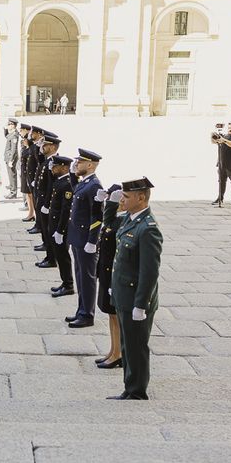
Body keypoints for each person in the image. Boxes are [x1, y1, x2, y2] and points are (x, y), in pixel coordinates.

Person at [105, 177, 163, 401]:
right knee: (127, 345)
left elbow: (149, 273)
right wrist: (110, 203)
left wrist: (141, 304)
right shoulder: (130, 219)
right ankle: (129, 387)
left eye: (126, 197)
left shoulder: (148, 229)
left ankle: (137, 391)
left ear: (141, 197)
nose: (122, 200)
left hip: (136, 300)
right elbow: (109, 226)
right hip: (123, 295)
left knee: (136, 346)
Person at [65, 148, 103, 328]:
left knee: (87, 279)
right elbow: (76, 191)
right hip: (78, 238)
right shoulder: (85, 182)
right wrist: (72, 174)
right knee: (80, 277)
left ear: (89, 165)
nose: (76, 164)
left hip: (86, 240)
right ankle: (81, 310)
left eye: (79, 162)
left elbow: (97, 217)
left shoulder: (95, 185)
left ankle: (87, 314)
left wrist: (92, 241)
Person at [94, 184, 125, 368]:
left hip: (114, 276)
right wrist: (109, 204)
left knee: (116, 317)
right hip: (106, 274)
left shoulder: (124, 221)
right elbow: (107, 223)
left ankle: (118, 354)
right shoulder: (115, 220)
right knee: (111, 316)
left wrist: (112, 205)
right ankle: (113, 351)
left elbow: (110, 225)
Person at [49, 156, 75, 297]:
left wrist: (60, 231)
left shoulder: (67, 184)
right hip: (55, 225)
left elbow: (66, 210)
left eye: (56, 166)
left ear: (65, 168)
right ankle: (64, 282)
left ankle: (69, 285)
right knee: (59, 255)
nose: (53, 168)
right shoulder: (59, 181)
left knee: (63, 256)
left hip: (61, 227)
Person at [34, 131, 61, 269]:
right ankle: (48, 254)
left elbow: (52, 186)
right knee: (45, 230)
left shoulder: (55, 162)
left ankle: (51, 258)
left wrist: (46, 204)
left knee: (49, 231)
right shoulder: (47, 160)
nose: (42, 146)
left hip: (47, 202)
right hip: (42, 199)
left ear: (53, 147)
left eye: (45, 144)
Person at [211, 121, 231, 208]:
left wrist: (224, 140)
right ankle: (220, 198)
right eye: (229, 128)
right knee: (221, 182)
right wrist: (213, 136)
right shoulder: (225, 136)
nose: (230, 129)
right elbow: (214, 142)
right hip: (222, 163)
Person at [3, 118, 20, 199]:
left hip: (11, 158)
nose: (8, 125)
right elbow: (6, 136)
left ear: (14, 126)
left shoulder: (14, 135)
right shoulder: (11, 133)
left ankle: (13, 192)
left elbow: (14, 149)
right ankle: (11, 187)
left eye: (10, 124)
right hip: (8, 157)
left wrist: (11, 160)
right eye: (8, 124)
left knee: (12, 175)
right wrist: (5, 129)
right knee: (10, 174)